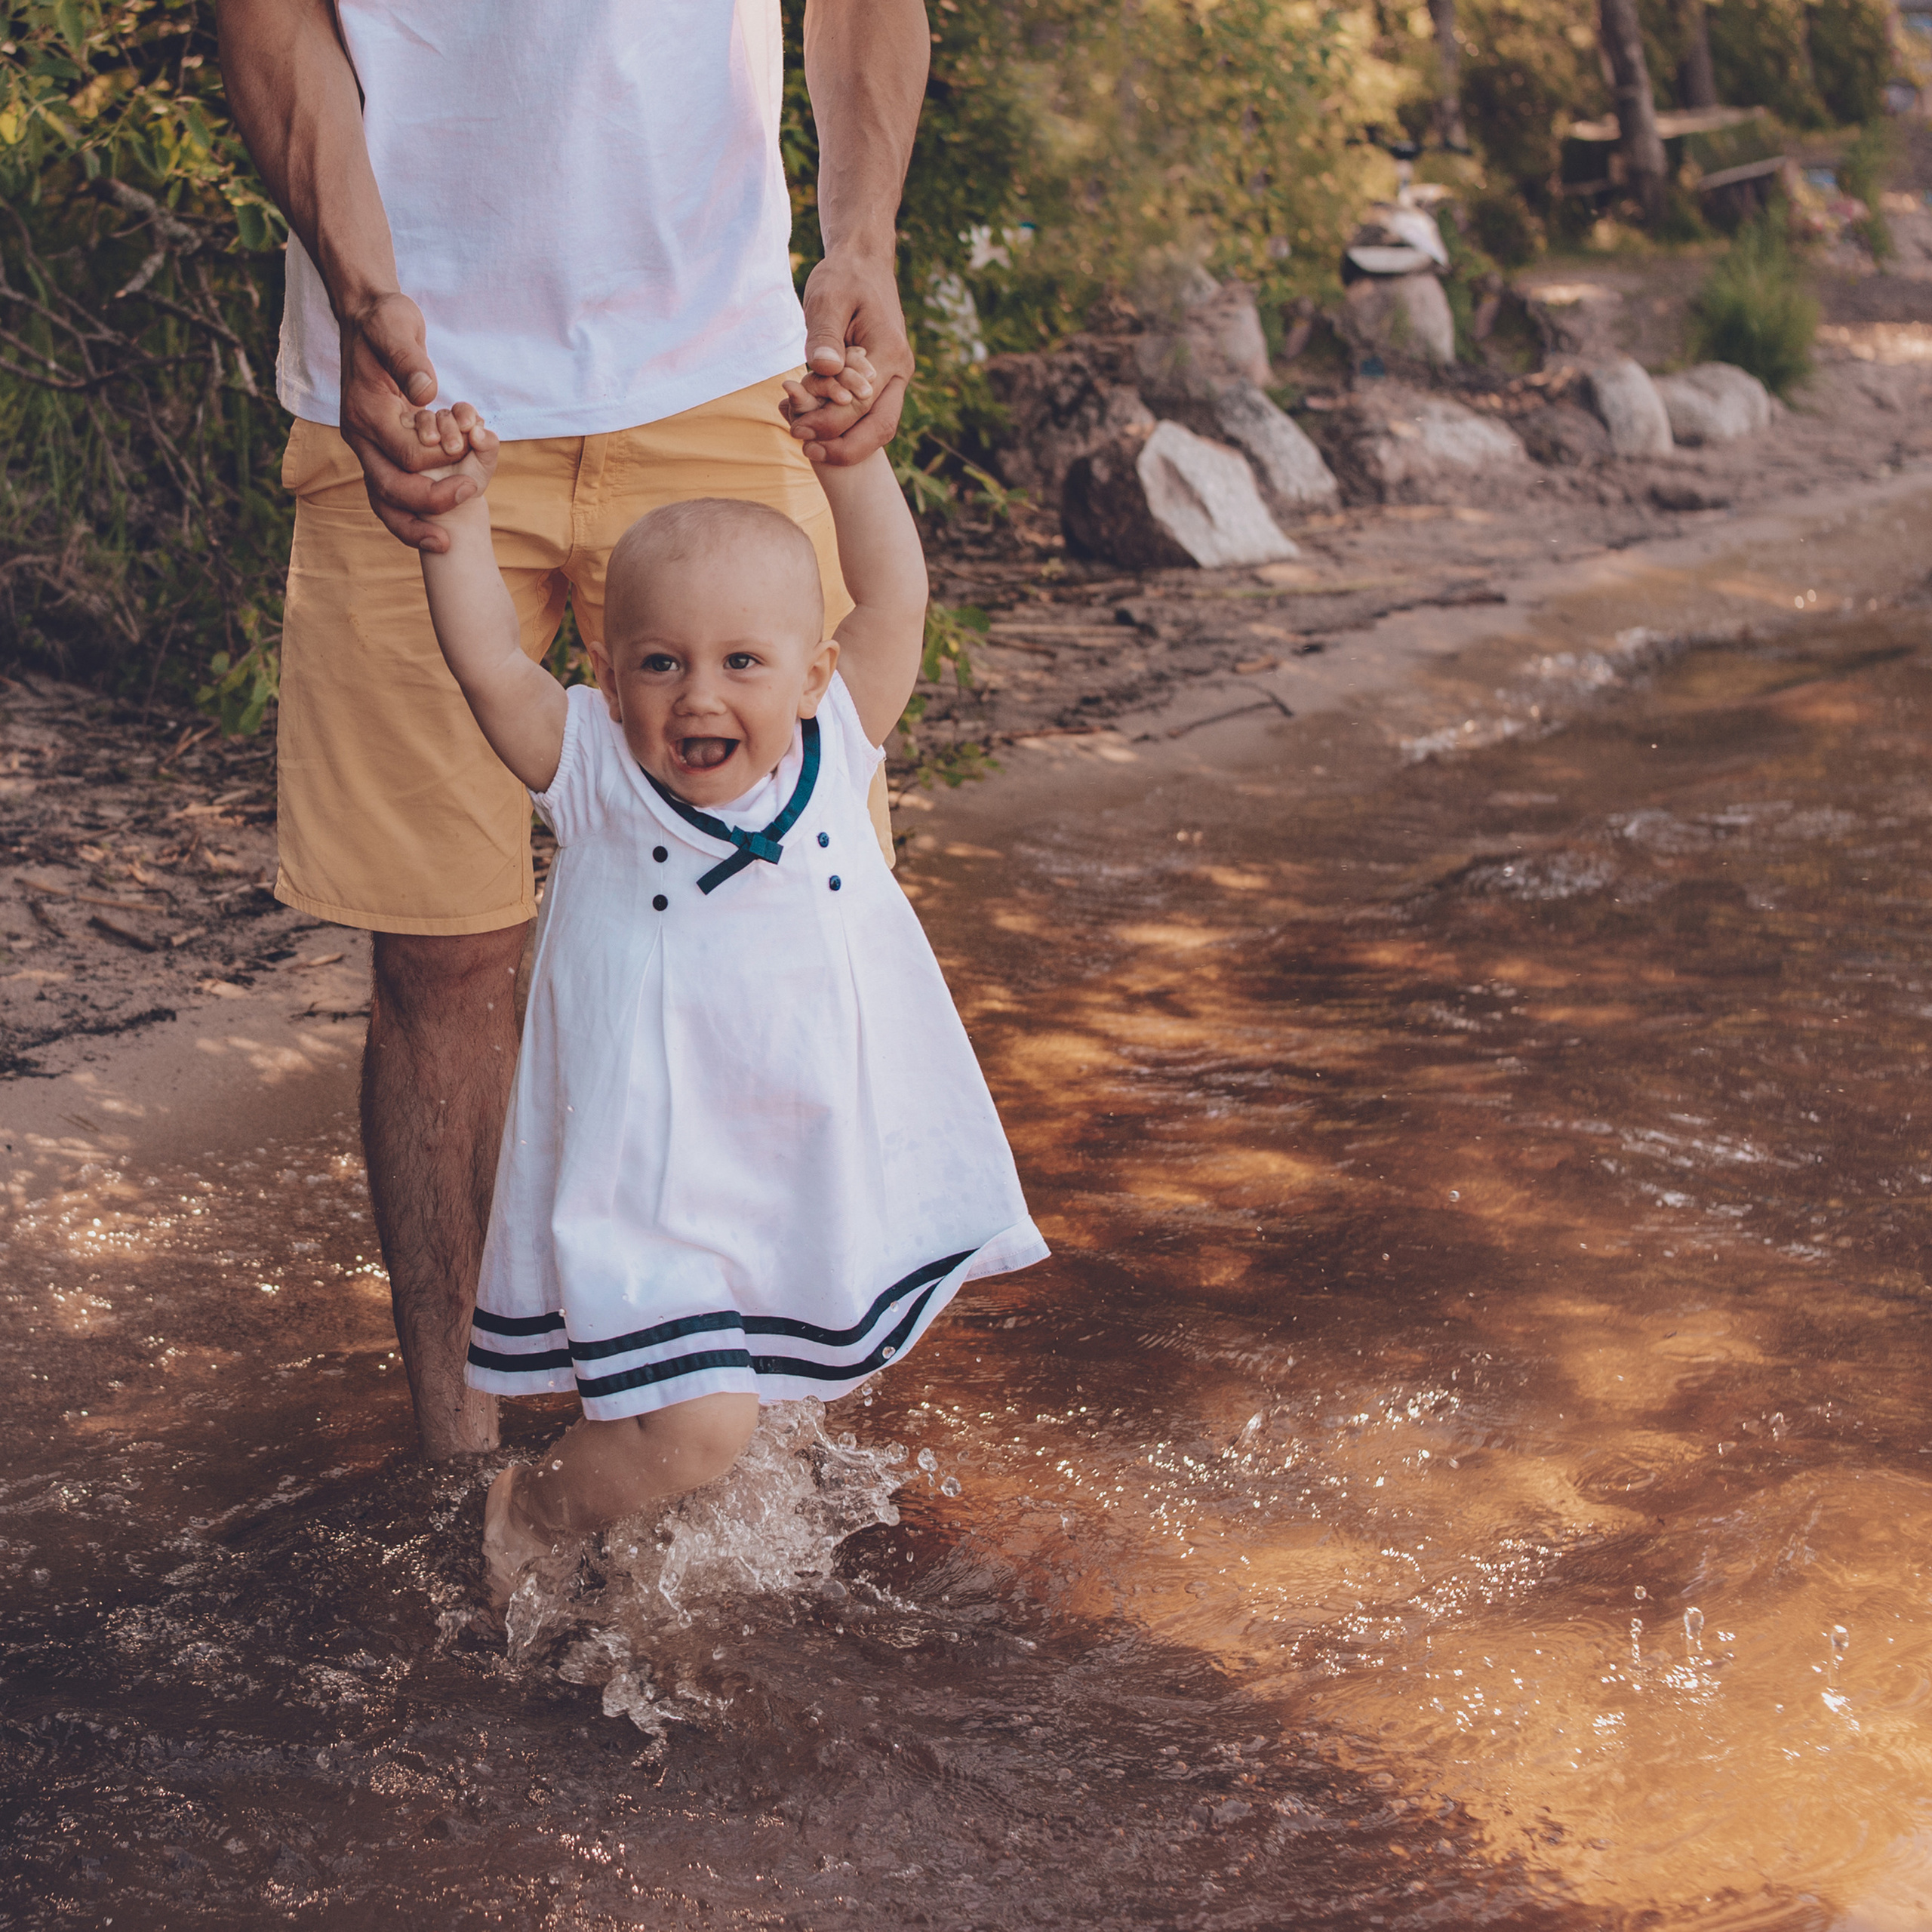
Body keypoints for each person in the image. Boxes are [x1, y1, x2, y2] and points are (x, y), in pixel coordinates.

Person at [217, 0, 932, 1460]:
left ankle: (788, 1444)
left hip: (729, 373)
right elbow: (270, 24)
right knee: (442, 954)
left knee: (804, 902)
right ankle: (461, 1461)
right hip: (415, 388)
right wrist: (362, 300)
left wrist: (866, 240)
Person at [401, 372, 1047, 1604]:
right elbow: (489, 664)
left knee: (769, 1436)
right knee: (699, 1433)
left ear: (811, 673)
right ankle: (526, 1509)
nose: (700, 695)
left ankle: (666, 1611)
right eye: (660, 662)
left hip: (790, 1169)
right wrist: (459, 518)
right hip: (648, 1184)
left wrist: (850, 463)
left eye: (743, 661)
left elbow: (897, 593)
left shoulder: (838, 742)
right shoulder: (592, 768)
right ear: (605, 668)